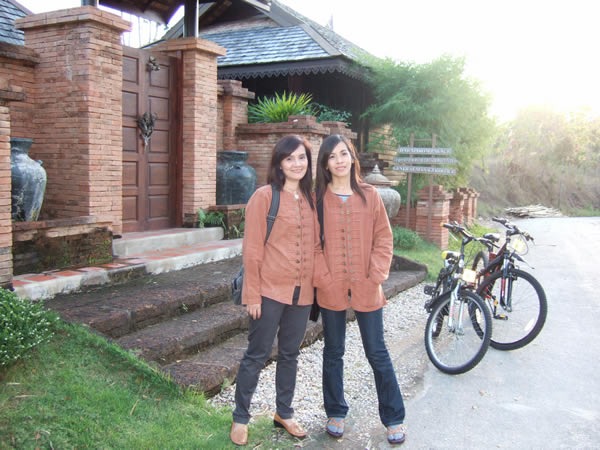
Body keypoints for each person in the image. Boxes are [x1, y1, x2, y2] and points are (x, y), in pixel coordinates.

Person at [313, 134, 406, 445]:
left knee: (377, 351)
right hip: (331, 288)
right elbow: (313, 245)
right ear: (325, 164)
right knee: (333, 351)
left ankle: (393, 417)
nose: (339, 161)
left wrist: (375, 274)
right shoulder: (318, 199)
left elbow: (384, 238)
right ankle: (335, 412)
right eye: (332, 156)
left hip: (368, 286)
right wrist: (324, 278)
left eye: (343, 154)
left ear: (352, 157)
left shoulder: (370, 195)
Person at [230, 134, 317, 446]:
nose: (296, 164)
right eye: (289, 158)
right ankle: (241, 417)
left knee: (290, 355)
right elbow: (252, 250)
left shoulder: (312, 200)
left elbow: (316, 247)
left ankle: (284, 413)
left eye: (302, 157)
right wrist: (252, 295)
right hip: (268, 292)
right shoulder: (264, 197)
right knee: (256, 355)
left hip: (302, 294)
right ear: (279, 164)